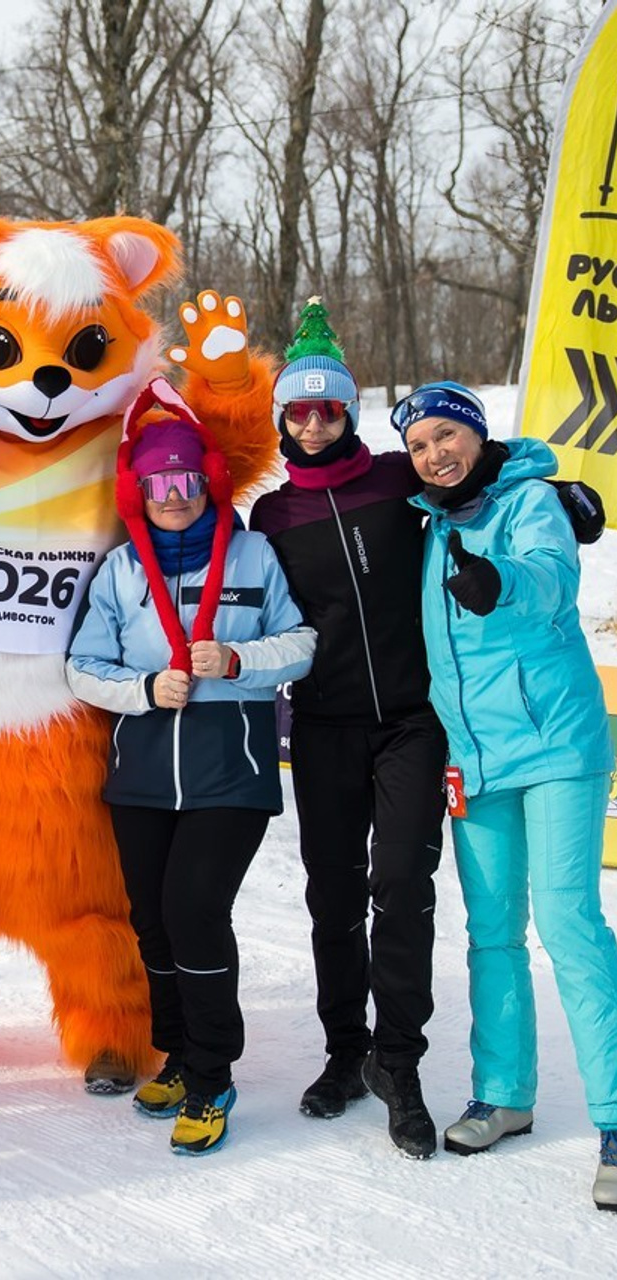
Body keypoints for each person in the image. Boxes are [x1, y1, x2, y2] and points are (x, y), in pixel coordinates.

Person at [67, 381, 315, 1155]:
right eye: (156, 484)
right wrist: (141, 689)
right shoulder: (119, 571)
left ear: (206, 481)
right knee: (153, 922)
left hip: (228, 771)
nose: (173, 498)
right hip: (141, 773)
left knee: (195, 912)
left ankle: (212, 1075)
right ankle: (175, 1051)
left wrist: (239, 657)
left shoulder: (250, 551)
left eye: (185, 482)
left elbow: (301, 643)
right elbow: (81, 665)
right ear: (137, 490)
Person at [396, 380, 617, 1211]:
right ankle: (505, 1092)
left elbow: (553, 577)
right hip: (475, 759)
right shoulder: (429, 520)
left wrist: (502, 581)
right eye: (420, 446)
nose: (435, 455)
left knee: (568, 919)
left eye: (447, 437)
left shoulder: (529, 500)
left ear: (479, 436)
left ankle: (616, 1114)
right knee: (491, 931)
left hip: (557, 744)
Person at [249, 299, 447, 1159]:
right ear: (283, 419)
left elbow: (485, 476)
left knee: (399, 886)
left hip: (411, 721)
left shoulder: (401, 479)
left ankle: (397, 1063)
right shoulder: (273, 517)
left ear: (351, 411)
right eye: (300, 408)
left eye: (330, 407)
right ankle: (345, 1051)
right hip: (323, 727)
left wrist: (561, 494)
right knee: (333, 895)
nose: (317, 420)